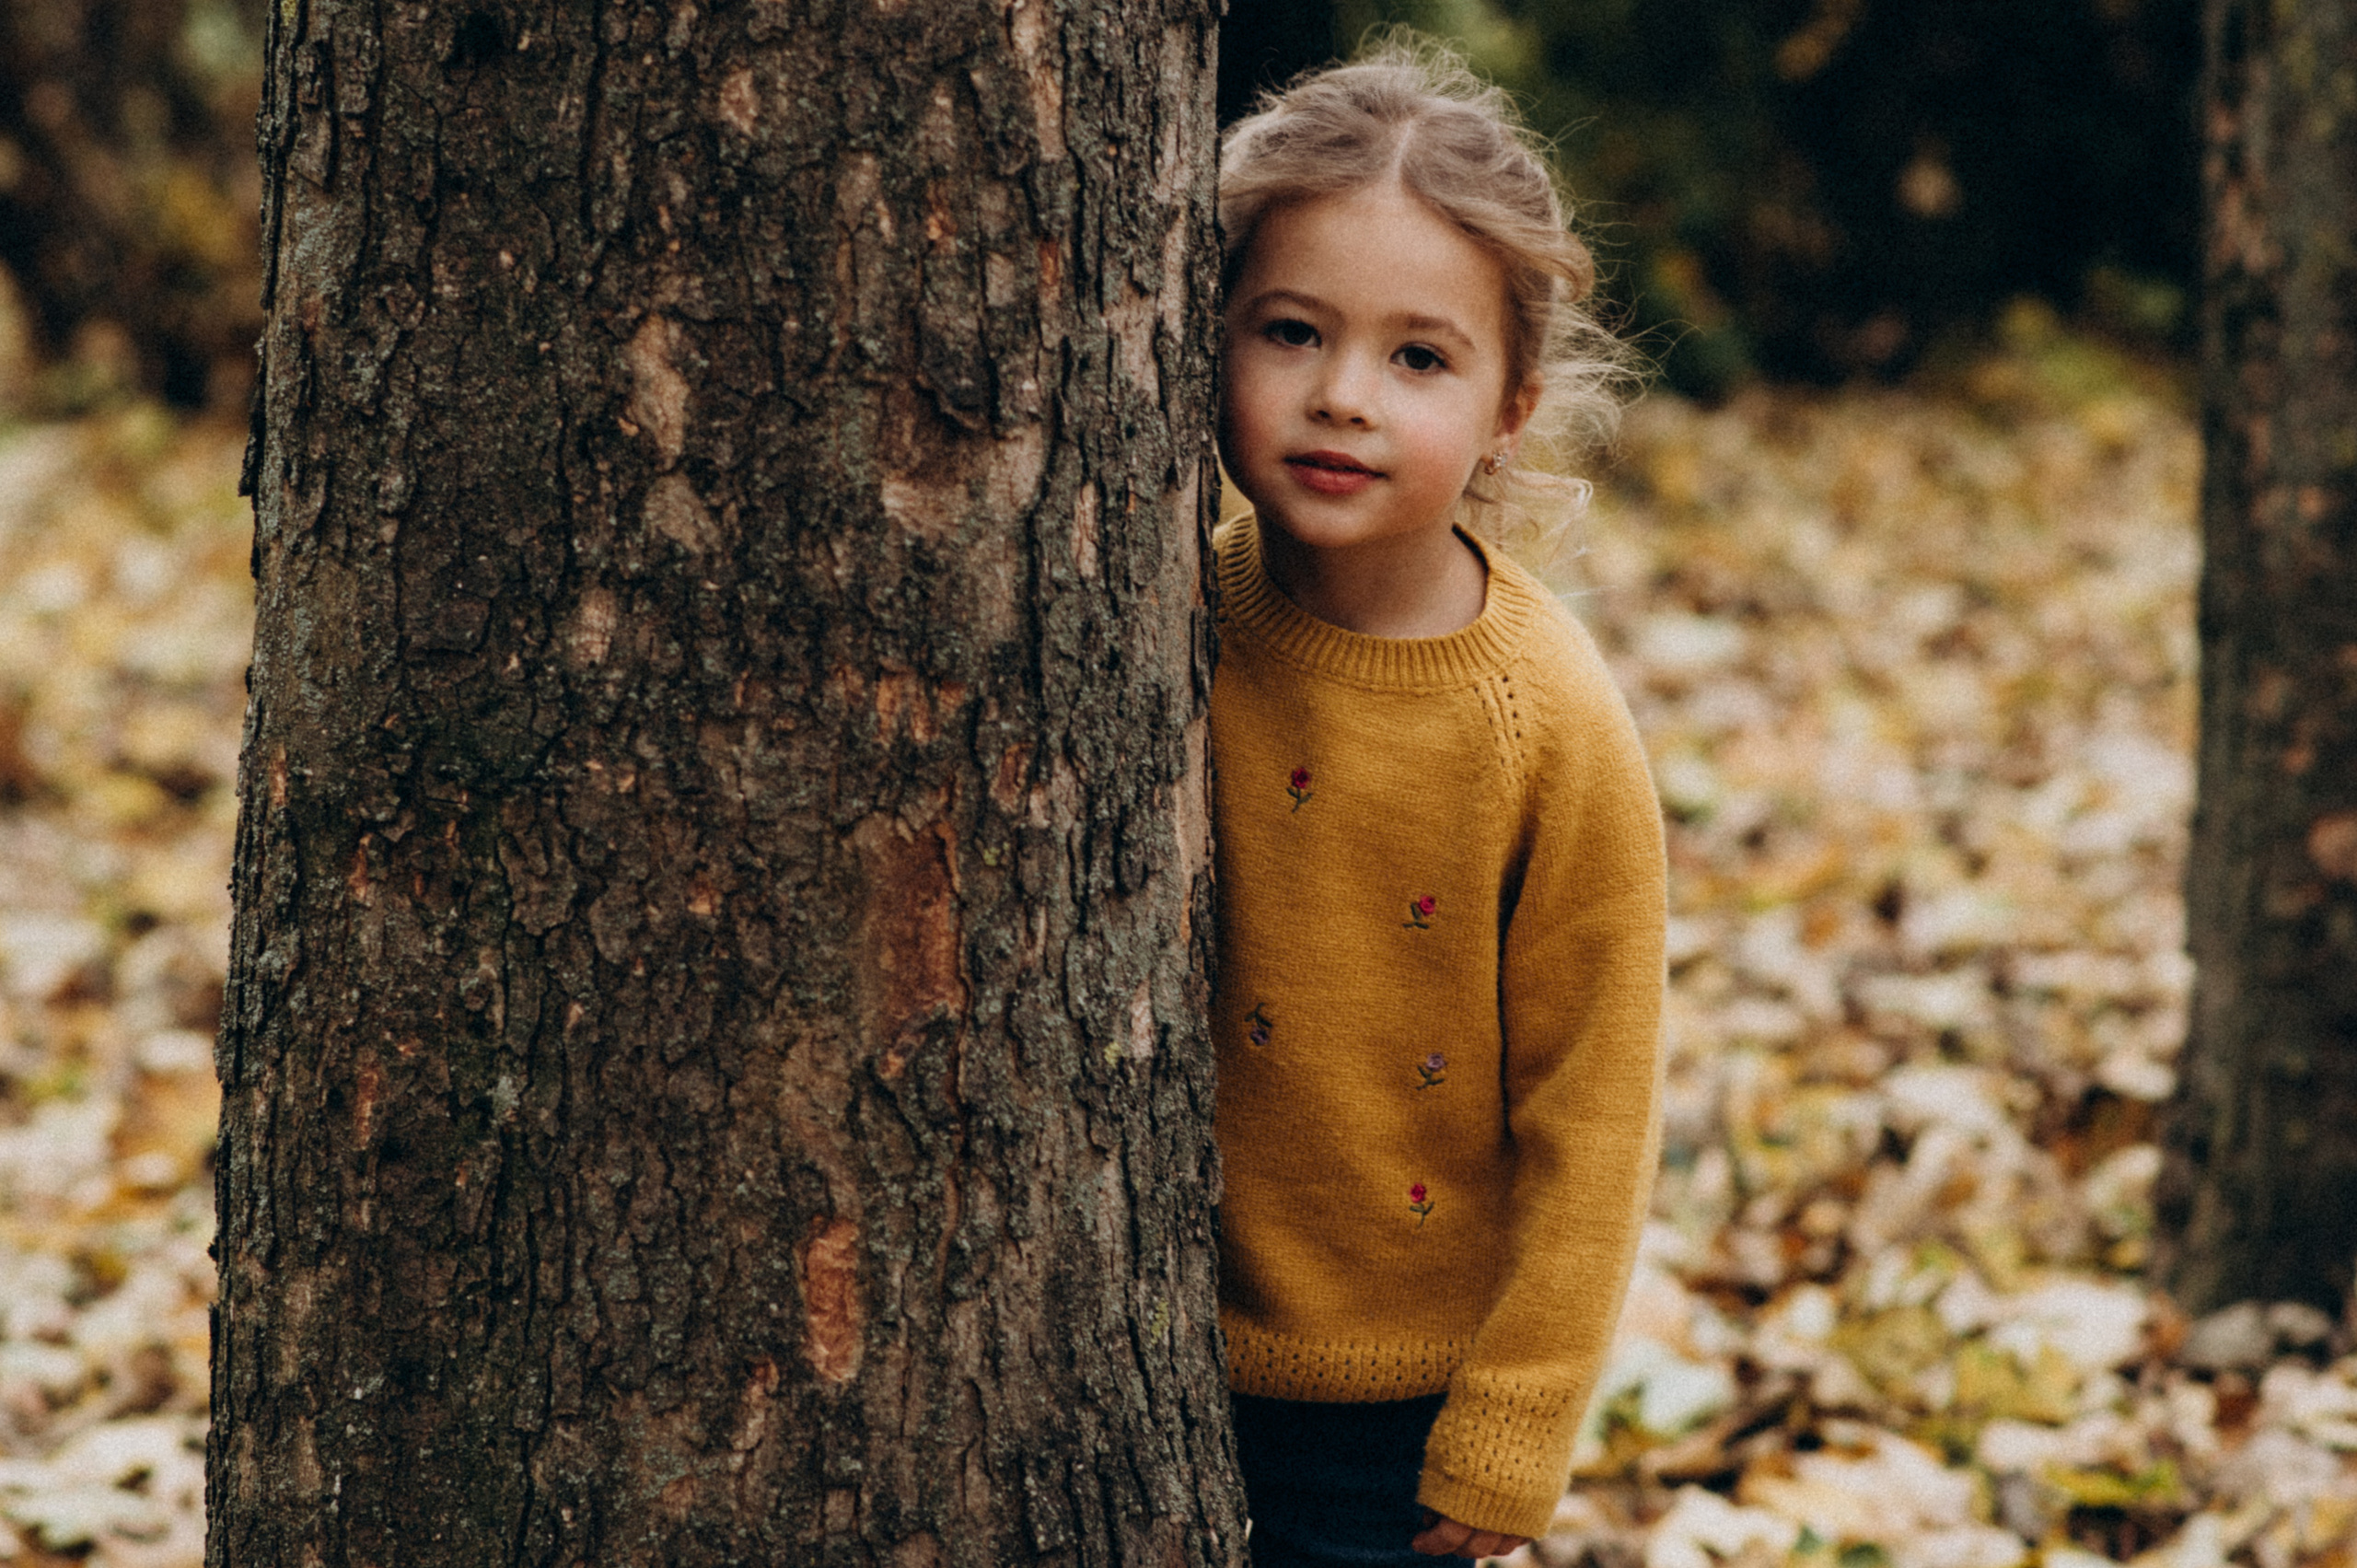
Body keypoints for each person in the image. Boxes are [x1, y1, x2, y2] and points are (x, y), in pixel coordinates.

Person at [1209, 39, 1666, 1566]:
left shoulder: (1545, 717)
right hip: (1145, 1338)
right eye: (1290, 331)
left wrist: (1513, 1430)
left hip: (1397, 1426)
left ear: (1511, 406)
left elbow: (1594, 1104)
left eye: (1420, 358)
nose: (1341, 398)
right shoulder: (1154, 606)